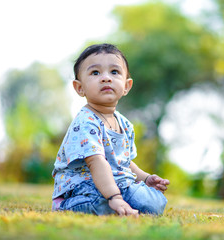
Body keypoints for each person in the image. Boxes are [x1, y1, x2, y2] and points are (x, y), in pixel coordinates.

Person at [51, 43, 170, 216]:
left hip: (116, 184)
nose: (106, 78)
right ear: (80, 87)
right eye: (95, 73)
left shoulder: (125, 125)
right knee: (101, 204)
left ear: (127, 86)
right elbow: (96, 162)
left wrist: (145, 178)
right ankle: (66, 205)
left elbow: (124, 162)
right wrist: (115, 197)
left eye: (114, 72)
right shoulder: (86, 122)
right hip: (84, 187)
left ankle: (120, 203)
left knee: (154, 202)